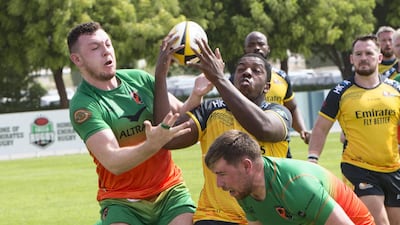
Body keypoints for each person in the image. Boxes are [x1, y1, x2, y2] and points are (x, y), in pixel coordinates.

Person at [67, 21, 211, 225]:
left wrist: (196, 95)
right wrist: (152, 143)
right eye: (95, 48)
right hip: (121, 201)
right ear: (77, 59)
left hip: (169, 192)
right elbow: (113, 162)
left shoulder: (139, 79)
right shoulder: (84, 105)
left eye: (108, 44)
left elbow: (179, 114)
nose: (106, 52)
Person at [154, 34, 293, 224]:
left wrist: (218, 79)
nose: (247, 73)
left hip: (265, 218)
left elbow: (264, 129)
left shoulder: (278, 113)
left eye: (256, 70)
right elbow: (166, 138)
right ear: (233, 78)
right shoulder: (211, 110)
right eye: (241, 69)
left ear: (267, 87)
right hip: (215, 217)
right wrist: (160, 77)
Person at [308, 34, 400, 225]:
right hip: (359, 169)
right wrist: (313, 158)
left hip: (393, 168)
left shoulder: (395, 90)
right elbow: (321, 128)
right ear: (351, 59)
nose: (363, 58)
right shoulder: (340, 92)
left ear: (380, 57)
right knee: (379, 223)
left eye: (369, 53)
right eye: (358, 54)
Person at [204, 130, 375, 225]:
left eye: (222, 174)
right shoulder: (242, 189)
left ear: (247, 166)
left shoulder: (296, 184)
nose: (219, 184)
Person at [243, 31, 310, 148]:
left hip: (279, 143)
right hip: (249, 144)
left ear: (268, 48)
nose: (257, 48)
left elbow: (292, 107)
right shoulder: (237, 79)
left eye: (261, 44)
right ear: (245, 49)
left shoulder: (282, 77)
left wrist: (302, 130)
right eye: (251, 45)